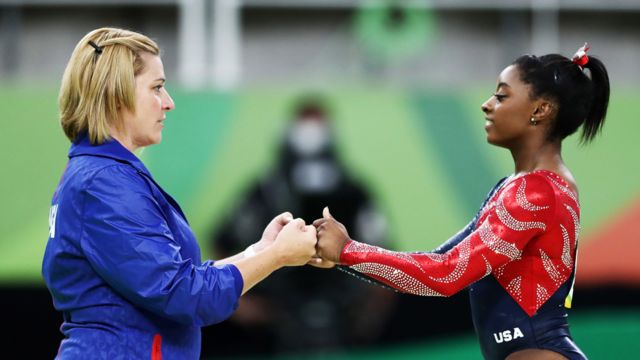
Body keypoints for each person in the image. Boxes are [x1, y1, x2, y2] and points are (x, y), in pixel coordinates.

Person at [313, 44, 609, 360]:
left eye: (501, 96)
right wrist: (345, 254)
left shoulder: (536, 192)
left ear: (540, 110)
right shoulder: (517, 186)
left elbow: (446, 274)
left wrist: (347, 251)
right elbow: (439, 261)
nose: (487, 105)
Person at [41, 27, 318, 359]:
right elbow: (184, 295)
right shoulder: (104, 184)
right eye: (157, 88)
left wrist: (261, 250)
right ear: (117, 95)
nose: (169, 103)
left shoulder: (101, 176)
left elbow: (181, 280)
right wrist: (277, 257)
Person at [209, 96, 395, 354]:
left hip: (342, 316)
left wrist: (368, 316)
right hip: (277, 319)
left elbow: (384, 251)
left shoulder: (354, 191)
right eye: (305, 124)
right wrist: (244, 307)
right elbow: (223, 241)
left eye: (317, 124)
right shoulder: (266, 190)